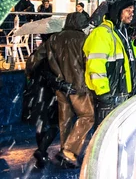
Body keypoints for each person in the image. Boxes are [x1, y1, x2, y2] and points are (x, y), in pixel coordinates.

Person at [83, 0, 136, 124]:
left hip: (122, 94)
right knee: (108, 138)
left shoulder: (120, 32)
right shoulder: (102, 33)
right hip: (110, 96)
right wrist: (103, 92)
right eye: (127, 10)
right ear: (117, 11)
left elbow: (126, 58)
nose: (132, 13)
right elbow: (96, 65)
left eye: (133, 10)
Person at [46, 12, 94, 168]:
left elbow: (46, 60)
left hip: (60, 86)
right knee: (87, 116)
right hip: (78, 86)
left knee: (65, 119)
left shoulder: (54, 38)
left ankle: (65, 151)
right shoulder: (83, 39)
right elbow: (87, 63)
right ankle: (69, 151)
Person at [22, 41, 64, 169]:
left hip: (34, 93)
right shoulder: (51, 55)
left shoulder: (36, 53)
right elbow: (50, 76)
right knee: (54, 125)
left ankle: (42, 154)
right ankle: (41, 150)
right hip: (47, 94)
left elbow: (28, 71)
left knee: (40, 125)